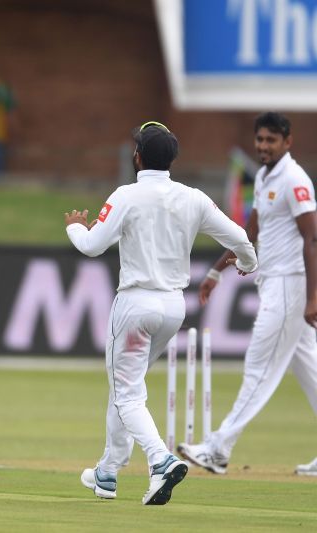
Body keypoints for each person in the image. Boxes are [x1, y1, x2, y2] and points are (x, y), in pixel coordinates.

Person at [65, 121, 257, 505]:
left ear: (137, 156)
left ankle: (160, 461)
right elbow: (238, 236)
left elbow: (90, 246)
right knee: (127, 389)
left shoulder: (126, 195)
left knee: (127, 393)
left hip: (135, 305)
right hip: (173, 308)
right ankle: (107, 471)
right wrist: (249, 265)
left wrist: (74, 227)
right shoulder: (193, 197)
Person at [178, 112, 317, 475]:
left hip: (291, 284)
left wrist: (314, 295)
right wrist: (216, 271)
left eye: (272, 140)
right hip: (276, 283)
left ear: (288, 142)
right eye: (260, 140)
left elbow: (313, 238)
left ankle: (217, 449)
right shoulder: (265, 176)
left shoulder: (295, 179)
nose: (263, 146)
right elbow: (250, 231)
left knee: (259, 369)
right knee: (311, 371)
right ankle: (217, 447)